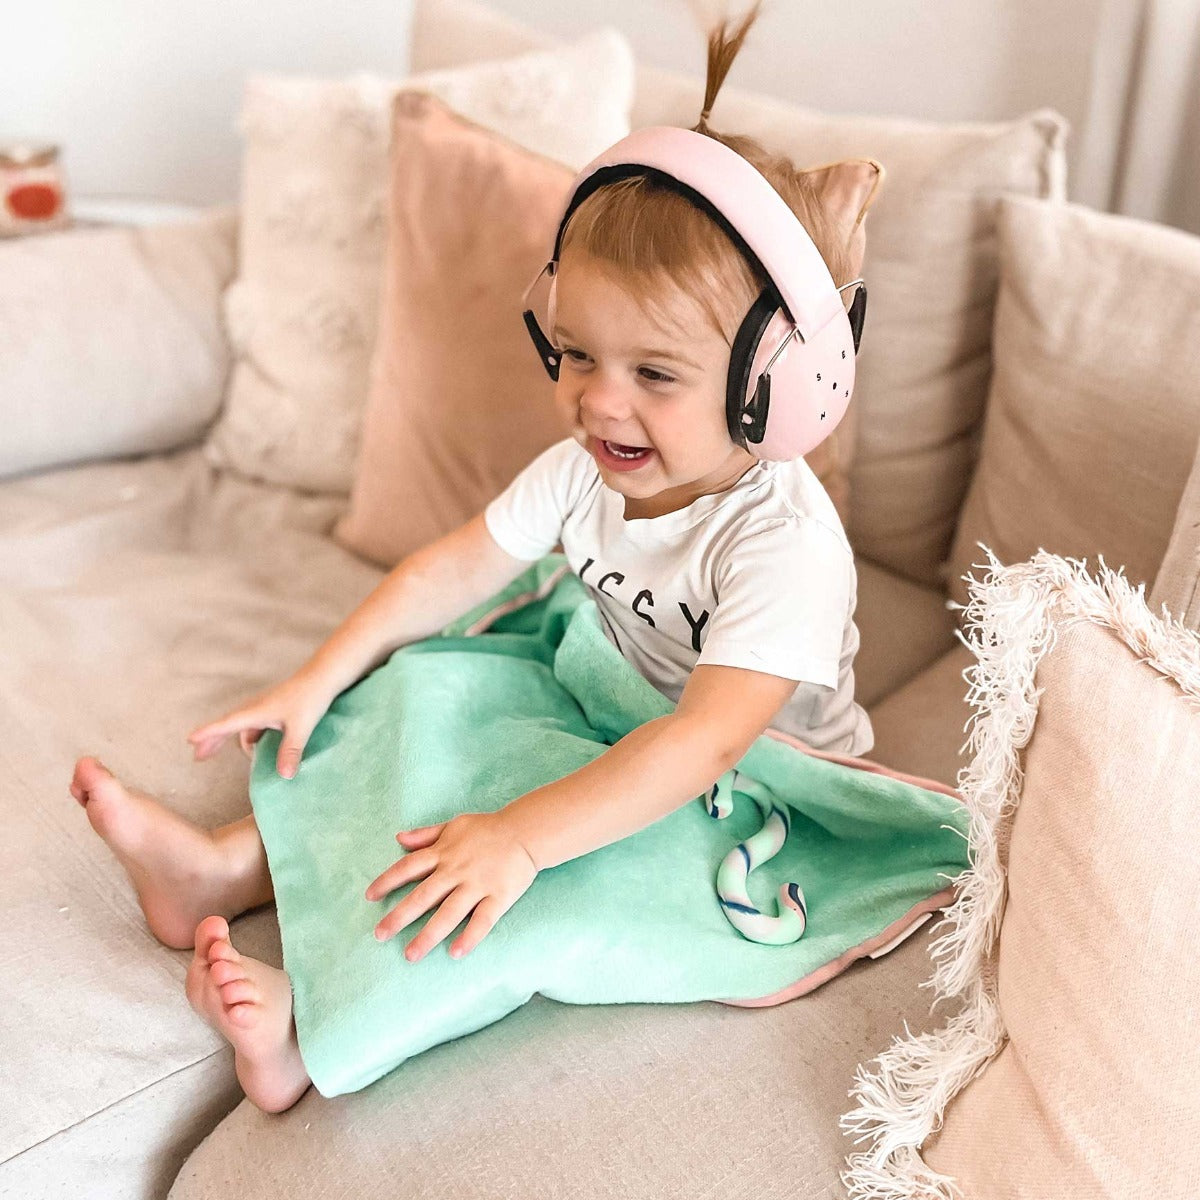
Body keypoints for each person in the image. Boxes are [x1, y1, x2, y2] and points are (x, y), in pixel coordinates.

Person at [68, 0, 882, 1115]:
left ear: (772, 391)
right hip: (608, 698)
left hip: (747, 789)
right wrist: (321, 678)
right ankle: (224, 868)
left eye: (656, 374)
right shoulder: (587, 469)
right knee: (425, 699)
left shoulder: (782, 549)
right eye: (581, 351)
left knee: (542, 890)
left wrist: (520, 839)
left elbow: (695, 746)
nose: (600, 398)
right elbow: (445, 572)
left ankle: (317, 1030)